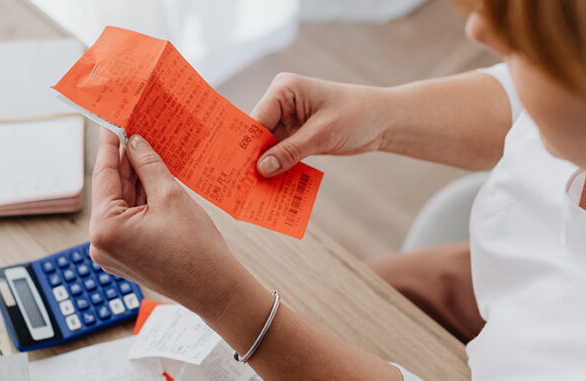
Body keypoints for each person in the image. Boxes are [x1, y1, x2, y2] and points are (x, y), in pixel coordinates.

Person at [88, 0, 586, 379]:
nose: (479, 30)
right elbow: (536, 104)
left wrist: (222, 301)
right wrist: (381, 116)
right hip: (494, 268)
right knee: (324, 297)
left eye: (530, 42)